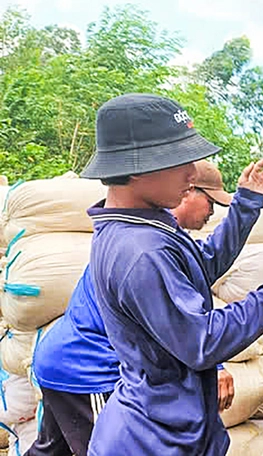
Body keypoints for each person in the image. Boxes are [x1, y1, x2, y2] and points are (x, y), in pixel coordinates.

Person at [79, 93, 263, 456]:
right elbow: (204, 342)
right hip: (155, 441)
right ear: (136, 168)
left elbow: (203, 263)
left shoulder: (147, 227)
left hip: (175, 425)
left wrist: (246, 203)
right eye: (179, 161)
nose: (192, 174)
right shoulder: (142, 252)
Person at [26, 160, 238, 456]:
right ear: (188, 191)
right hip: (88, 368)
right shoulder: (147, 251)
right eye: (210, 201)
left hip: (64, 357)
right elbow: (177, 330)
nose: (212, 212)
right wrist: (215, 364)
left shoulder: (154, 236)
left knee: (50, 452)